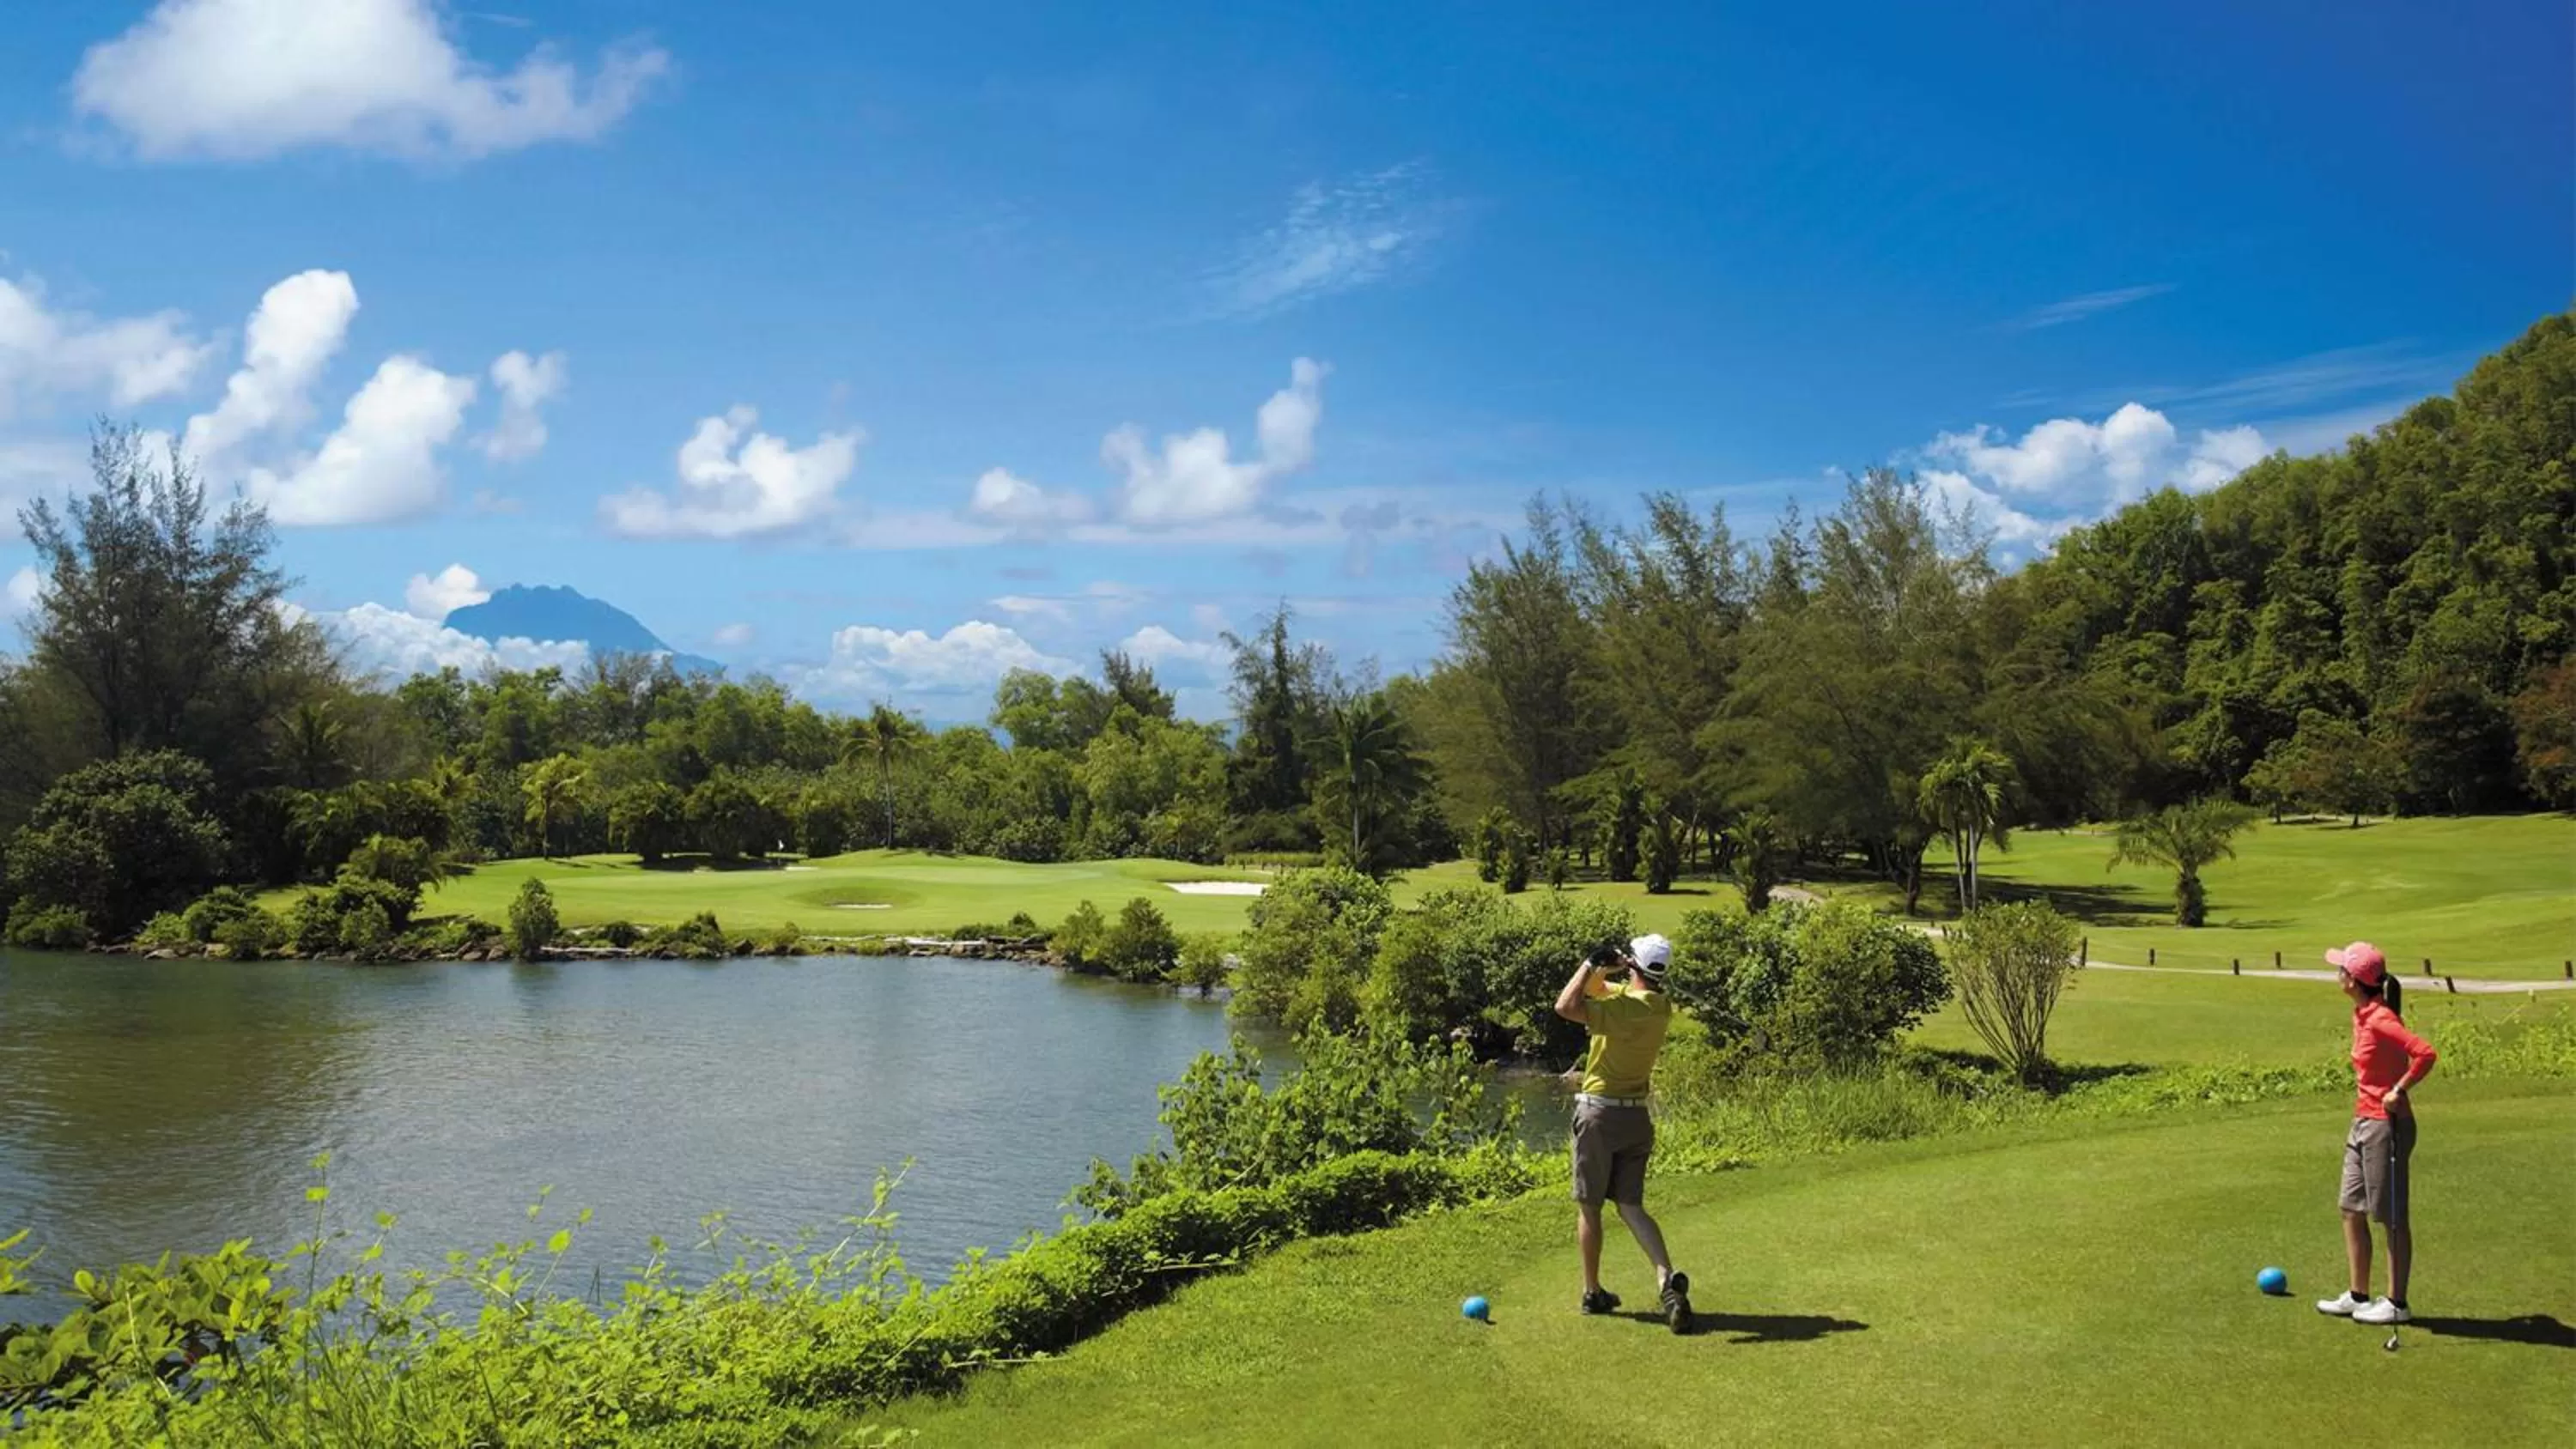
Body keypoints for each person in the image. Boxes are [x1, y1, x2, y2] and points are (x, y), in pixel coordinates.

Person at [1552, 933, 1695, 1333]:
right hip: (1636, 1119)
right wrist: (1606, 968)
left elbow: (1566, 1006)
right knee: (1631, 1205)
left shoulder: (1625, 1009)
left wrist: (1587, 962)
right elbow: (1601, 990)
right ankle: (1667, 1280)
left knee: (1590, 1206)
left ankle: (1592, 1292)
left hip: (1599, 1115)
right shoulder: (1657, 1006)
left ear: (1634, 967)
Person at [2313, 941, 2437, 1327]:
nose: (2336, 973)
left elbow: (2426, 1053)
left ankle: (2397, 1302)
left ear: (2353, 980)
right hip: (2362, 1121)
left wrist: (2398, 1090)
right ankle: (2358, 1295)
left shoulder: (2382, 1019)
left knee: (2390, 1216)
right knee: (2351, 1208)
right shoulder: (2362, 1013)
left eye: (2341, 969)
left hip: (2387, 1126)